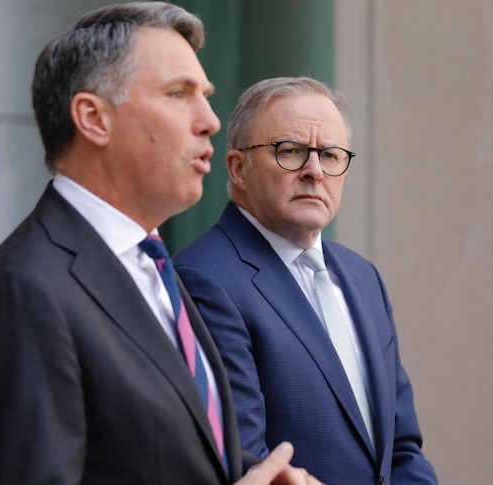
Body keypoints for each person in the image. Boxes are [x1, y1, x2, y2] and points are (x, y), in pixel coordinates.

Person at [0, 3, 322, 485]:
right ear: (93, 118)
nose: (209, 118)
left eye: (204, 95)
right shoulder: (25, 292)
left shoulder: (151, 265)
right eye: (178, 93)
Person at [173, 76, 439, 484]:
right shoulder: (204, 280)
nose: (314, 171)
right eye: (291, 151)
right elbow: (249, 462)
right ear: (239, 168)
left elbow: (401, 450)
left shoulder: (363, 278)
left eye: (331, 155)